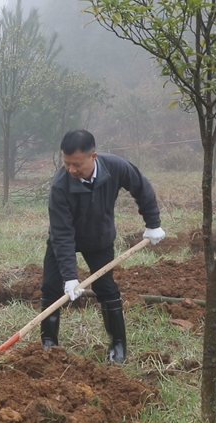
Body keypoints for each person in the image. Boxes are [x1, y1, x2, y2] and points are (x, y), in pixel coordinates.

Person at [41, 130, 165, 364]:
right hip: (66, 239)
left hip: (100, 238)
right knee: (50, 286)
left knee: (106, 288)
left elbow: (141, 187)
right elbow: (62, 233)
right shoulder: (60, 186)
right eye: (66, 163)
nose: (70, 169)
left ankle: (118, 345)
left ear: (93, 156)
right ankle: (49, 343)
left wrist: (153, 224)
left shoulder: (116, 167)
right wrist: (70, 276)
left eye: (76, 164)